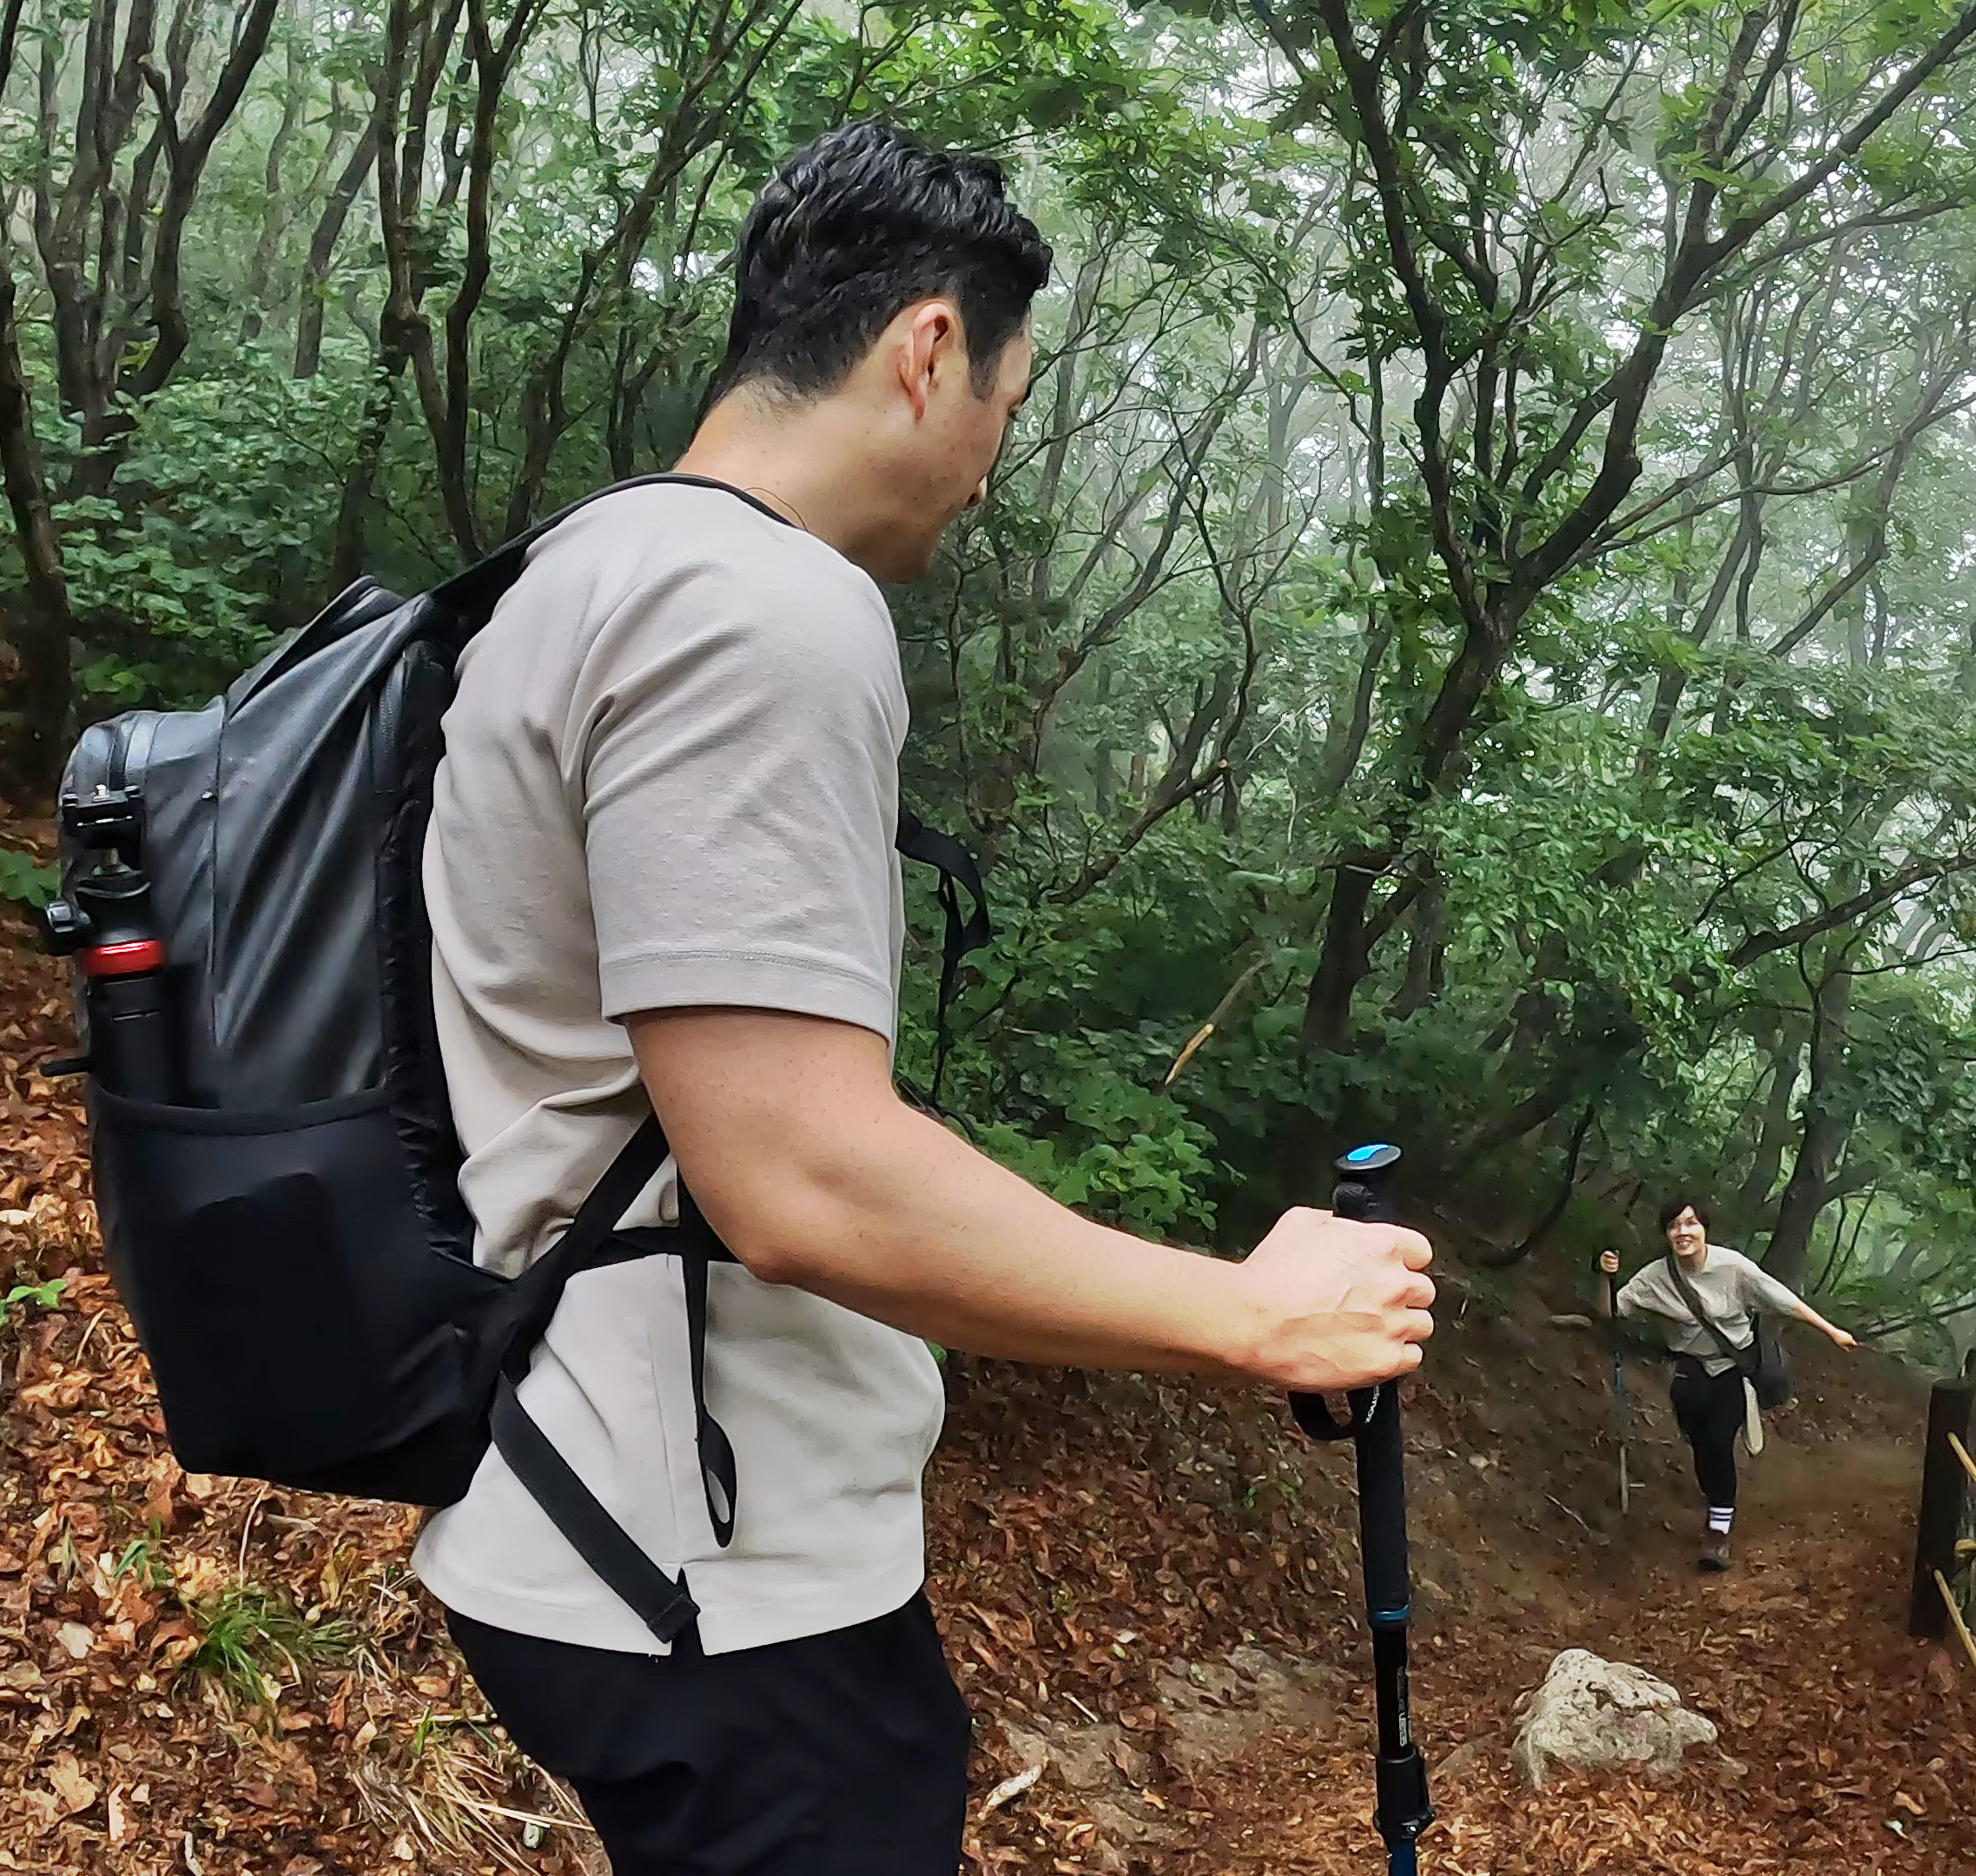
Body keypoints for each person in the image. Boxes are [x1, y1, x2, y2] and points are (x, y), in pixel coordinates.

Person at [412, 121, 1436, 1876]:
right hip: (707, 1573)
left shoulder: (568, 576)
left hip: (585, 1513)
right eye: (1004, 414)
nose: (986, 475)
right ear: (928, 349)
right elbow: (797, 1177)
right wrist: (1249, 1316)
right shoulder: (759, 607)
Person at [1602, 1199, 1854, 1572]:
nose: (1683, 1231)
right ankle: (1716, 1498)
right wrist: (1605, 1276)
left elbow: (1784, 1300)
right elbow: (1610, 1312)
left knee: (1719, 1442)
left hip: (1733, 1368)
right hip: (1689, 1371)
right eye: (1674, 1225)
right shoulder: (1654, 1278)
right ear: (1666, 1234)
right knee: (1701, 1444)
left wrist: (1832, 1331)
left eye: (1691, 1223)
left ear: (1704, 1228)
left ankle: (1719, 1530)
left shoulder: (1733, 1267)